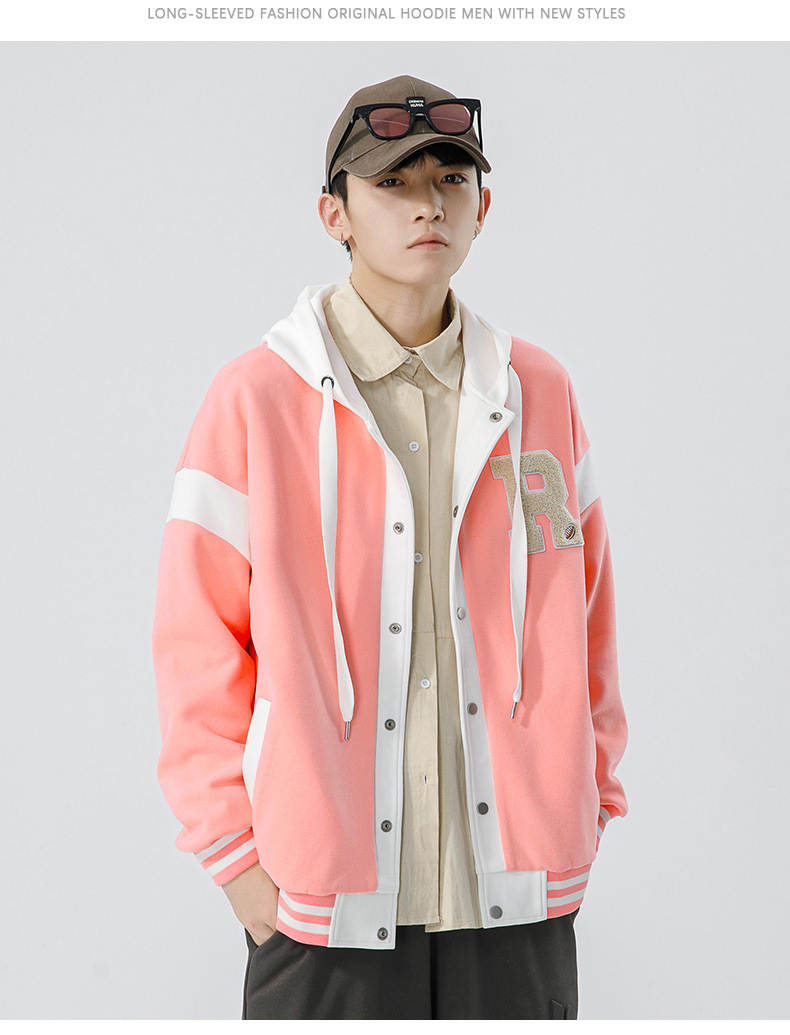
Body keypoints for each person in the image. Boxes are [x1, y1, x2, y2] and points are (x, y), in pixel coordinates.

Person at [152, 73, 629, 1020]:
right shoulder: (255, 400)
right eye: (394, 184)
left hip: (518, 893)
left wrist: (590, 797)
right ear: (334, 213)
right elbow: (195, 646)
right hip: (319, 903)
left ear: (483, 208)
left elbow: (590, 613)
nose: (428, 206)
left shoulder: (539, 391)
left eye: (451, 180)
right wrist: (237, 864)